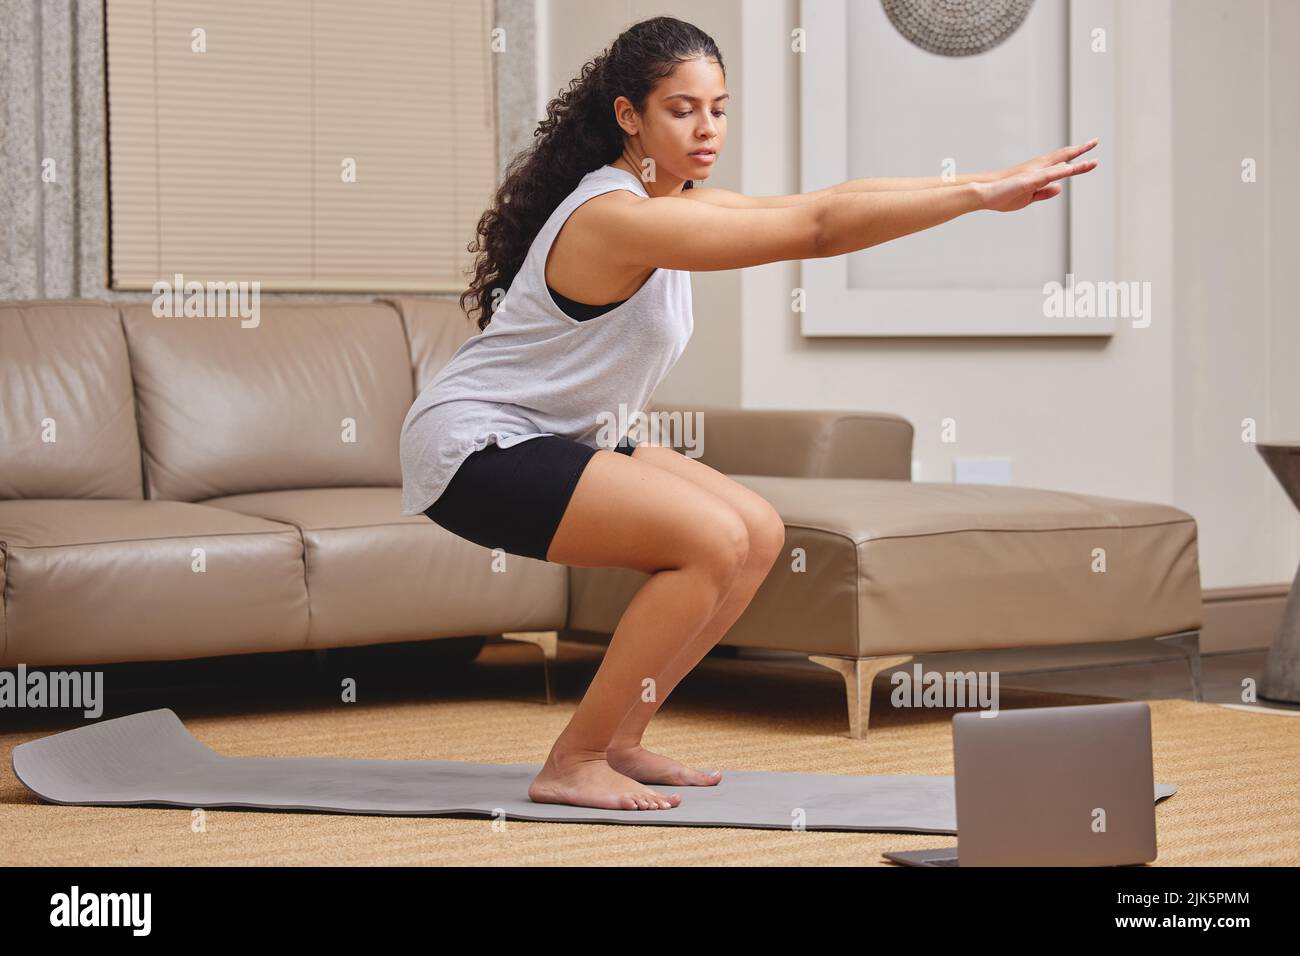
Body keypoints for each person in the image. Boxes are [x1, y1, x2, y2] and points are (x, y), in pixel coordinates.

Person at [399, 15, 1098, 812]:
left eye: (719, 108)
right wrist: (977, 197)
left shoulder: (671, 201)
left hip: (560, 433)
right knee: (709, 541)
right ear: (629, 115)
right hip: (474, 446)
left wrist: (980, 183)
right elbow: (818, 230)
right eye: (681, 109)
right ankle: (575, 757)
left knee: (758, 531)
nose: (707, 129)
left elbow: (826, 201)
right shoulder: (616, 217)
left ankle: (623, 738)